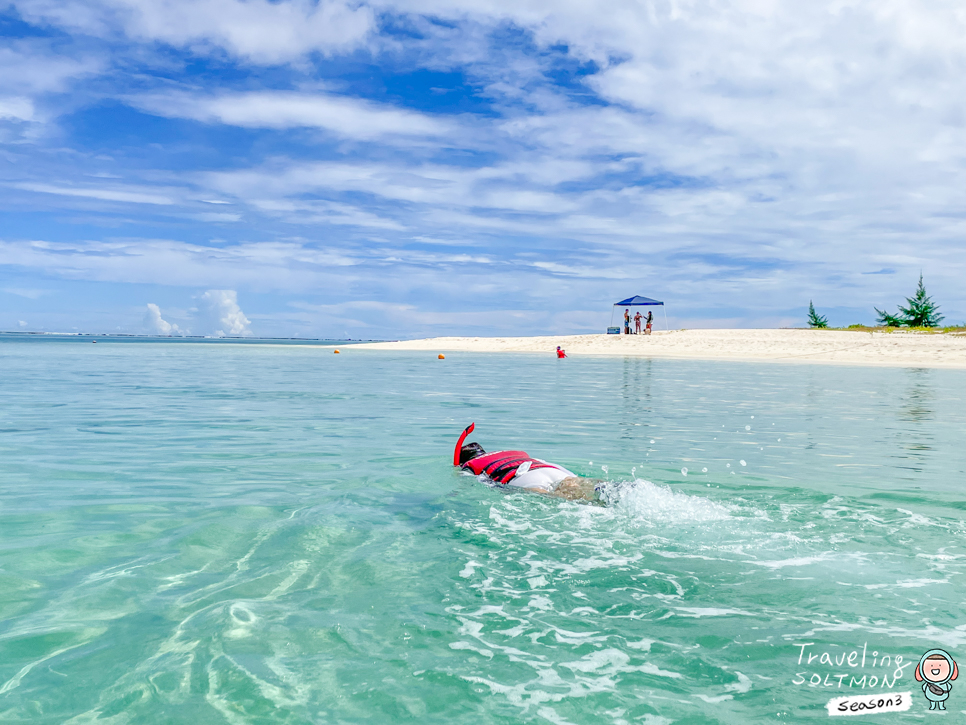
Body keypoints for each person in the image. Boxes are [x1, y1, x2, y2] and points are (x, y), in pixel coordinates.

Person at [453, 423, 600, 502]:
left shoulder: (469, 466)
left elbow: (474, 484)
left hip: (522, 477)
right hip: (550, 469)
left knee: (561, 501)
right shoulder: (510, 452)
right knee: (577, 486)